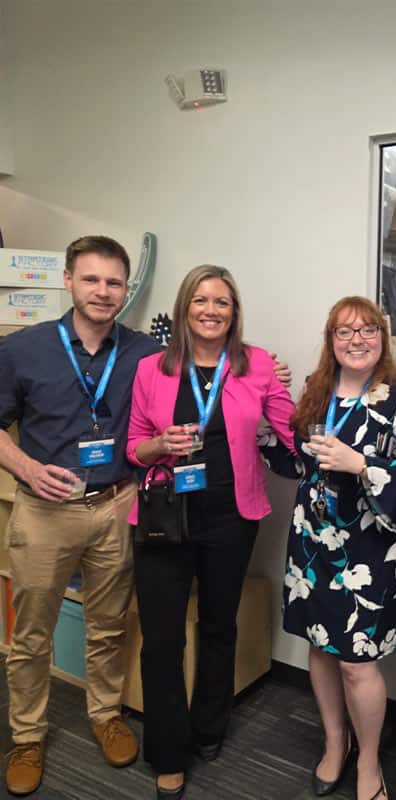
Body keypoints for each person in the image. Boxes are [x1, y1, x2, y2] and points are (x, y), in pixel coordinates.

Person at [126, 264, 296, 800]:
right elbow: (133, 445)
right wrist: (160, 447)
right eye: (201, 299)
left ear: (234, 313)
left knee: (219, 627)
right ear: (184, 307)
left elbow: (290, 429)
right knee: (162, 637)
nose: (210, 310)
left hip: (230, 517)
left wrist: (327, 391)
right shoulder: (152, 368)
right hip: (163, 516)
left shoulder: (259, 364)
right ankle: (169, 752)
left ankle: (208, 729)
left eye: (222, 301)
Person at [0, 236, 160, 796]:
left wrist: (269, 373)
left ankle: (105, 713)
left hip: (115, 504)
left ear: (126, 289)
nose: (103, 291)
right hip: (45, 510)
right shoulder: (24, 349)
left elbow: (204, 374)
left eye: (114, 282)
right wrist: (24, 465)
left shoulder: (143, 351)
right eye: (91, 279)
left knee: (108, 624)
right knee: (32, 633)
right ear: (68, 280)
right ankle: (26, 736)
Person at [282, 296, 396, 800]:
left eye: (367, 330)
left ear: (382, 338)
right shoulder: (315, 391)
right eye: (344, 332)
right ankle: (334, 741)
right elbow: (292, 462)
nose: (356, 340)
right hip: (312, 544)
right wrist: (269, 409)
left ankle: (369, 760)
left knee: (355, 662)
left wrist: (361, 464)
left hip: (369, 550)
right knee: (320, 649)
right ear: (331, 341)